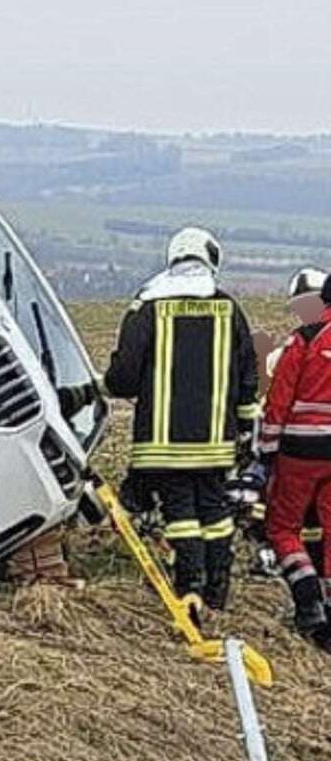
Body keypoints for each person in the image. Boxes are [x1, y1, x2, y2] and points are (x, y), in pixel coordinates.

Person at [104, 227, 258, 613]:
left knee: (181, 512)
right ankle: (217, 588)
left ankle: (189, 585)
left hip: (162, 441)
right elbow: (247, 378)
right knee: (215, 510)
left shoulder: (148, 306)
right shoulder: (229, 309)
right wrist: (244, 433)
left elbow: (123, 376)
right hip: (215, 441)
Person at [260, 275, 331, 647]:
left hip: (300, 450)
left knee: (283, 528)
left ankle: (308, 605)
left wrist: (267, 451)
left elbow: (278, 401)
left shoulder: (304, 338)